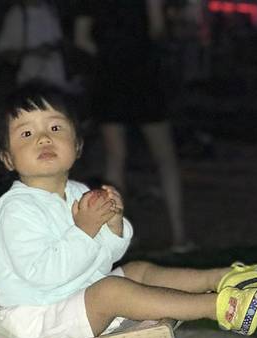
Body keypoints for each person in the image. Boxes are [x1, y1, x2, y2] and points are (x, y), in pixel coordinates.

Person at [0, 85, 257, 338]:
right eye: (26, 134)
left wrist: (113, 226)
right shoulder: (16, 211)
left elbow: (103, 258)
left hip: (76, 296)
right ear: (7, 158)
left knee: (138, 270)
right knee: (111, 290)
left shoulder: (77, 192)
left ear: (77, 145)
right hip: (39, 318)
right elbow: (43, 275)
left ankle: (223, 278)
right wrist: (85, 230)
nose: (44, 138)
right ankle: (220, 307)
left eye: (55, 127)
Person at [73, 0, 191, 252]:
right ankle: (179, 235)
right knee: (165, 158)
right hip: (143, 73)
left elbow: (81, 39)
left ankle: (119, 236)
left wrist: (107, 55)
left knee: (115, 158)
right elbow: (157, 28)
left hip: (110, 76)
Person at [0, 0, 73, 93]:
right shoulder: (16, 15)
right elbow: (4, 53)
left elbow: (59, 41)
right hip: (30, 86)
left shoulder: (49, 10)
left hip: (57, 85)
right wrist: (34, 52)